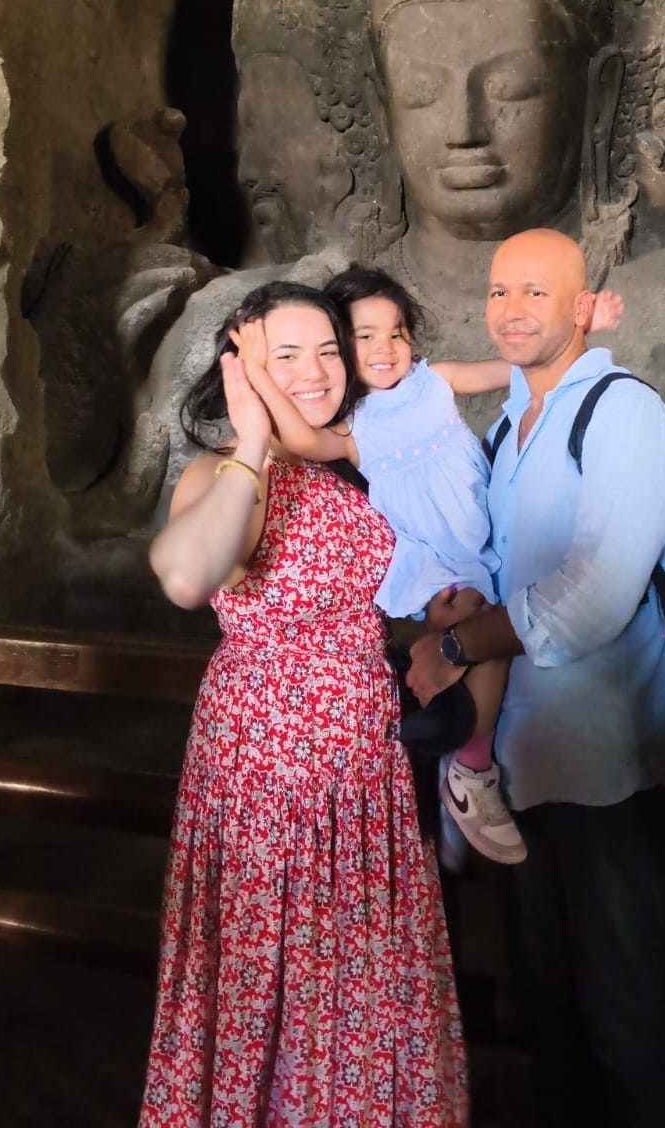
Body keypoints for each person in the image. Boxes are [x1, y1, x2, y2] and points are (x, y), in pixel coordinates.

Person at [139, 279, 467, 1128]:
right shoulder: (227, 474)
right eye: (286, 354)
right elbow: (183, 575)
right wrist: (251, 438)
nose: (317, 369)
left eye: (328, 348)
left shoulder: (352, 462)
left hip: (364, 778)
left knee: (361, 981)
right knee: (270, 978)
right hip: (265, 774)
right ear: (240, 363)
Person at [406, 229, 665, 1128]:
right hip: (521, 762)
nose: (512, 310)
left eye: (536, 292)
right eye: (498, 293)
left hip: (605, 763)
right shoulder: (509, 422)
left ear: (582, 306)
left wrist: (458, 649)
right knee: (550, 1007)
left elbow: (599, 592)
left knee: (624, 1009)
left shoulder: (621, 412)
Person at [229, 264, 623, 869]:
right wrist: (256, 368)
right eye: (364, 336)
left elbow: (523, 368)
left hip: (480, 543)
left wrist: (578, 332)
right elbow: (296, 440)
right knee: (479, 625)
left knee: (488, 636)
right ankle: (472, 769)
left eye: (397, 332)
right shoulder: (351, 426)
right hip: (435, 557)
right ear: (340, 346)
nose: (385, 348)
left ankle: (452, 771)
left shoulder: (434, 382)